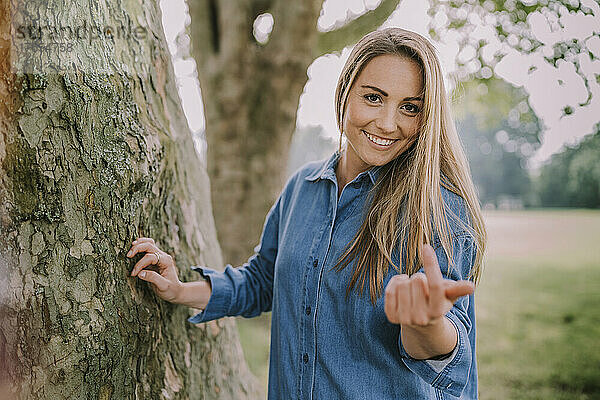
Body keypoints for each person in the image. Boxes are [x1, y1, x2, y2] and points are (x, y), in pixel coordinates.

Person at [127, 27, 486, 399]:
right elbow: (263, 281)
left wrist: (425, 325)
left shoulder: (440, 211)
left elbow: (450, 357)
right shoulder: (302, 188)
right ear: (345, 91)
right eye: (374, 98)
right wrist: (180, 289)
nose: (387, 122)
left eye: (410, 107)